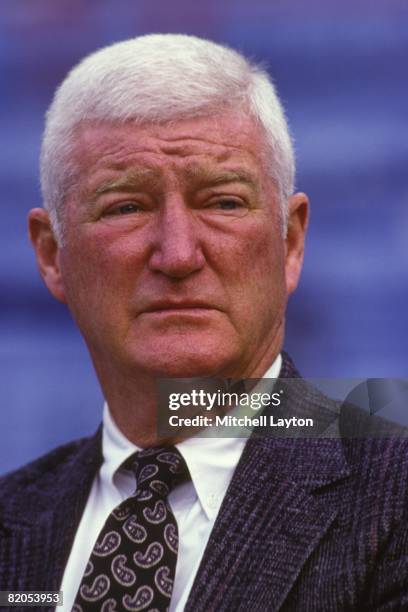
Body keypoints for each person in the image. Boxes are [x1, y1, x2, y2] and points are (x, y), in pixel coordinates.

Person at [0, 33, 407, 612]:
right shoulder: (12, 520)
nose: (178, 254)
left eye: (222, 202)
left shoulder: (394, 499)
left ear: (289, 243)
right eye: (126, 207)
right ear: (50, 255)